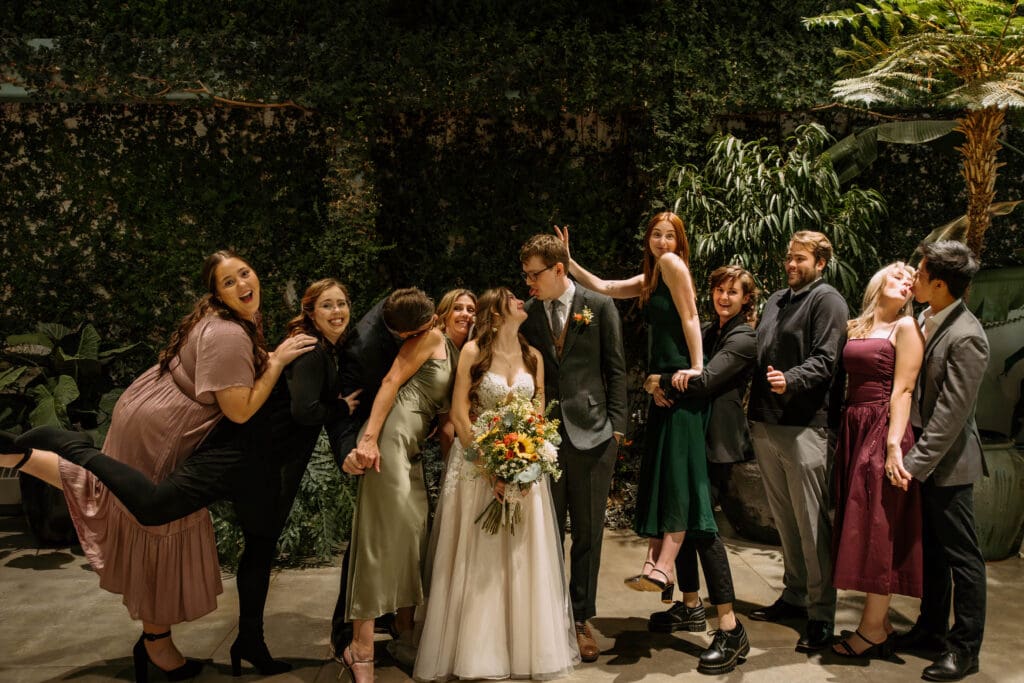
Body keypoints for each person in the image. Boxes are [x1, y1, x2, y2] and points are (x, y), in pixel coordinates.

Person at [1, 251, 317, 680]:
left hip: (153, 410)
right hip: (164, 428)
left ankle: (19, 456)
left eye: (244, 273)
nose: (243, 283)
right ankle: (156, 644)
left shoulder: (228, 320)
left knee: (116, 497)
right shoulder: (227, 334)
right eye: (229, 281)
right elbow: (240, 410)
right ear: (216, 294)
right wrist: (277, 363)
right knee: (157, 527)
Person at [414, 287, 580, 681]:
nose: (522, 300)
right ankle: (479, 652)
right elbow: (458, 411)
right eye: (512, 298)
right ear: (496, 311)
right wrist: (490, 466)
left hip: (524, 471)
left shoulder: (533, 356)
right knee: (482, 558)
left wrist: (526, 463)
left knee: (523, 556)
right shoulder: (473, 352)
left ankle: (524, 648)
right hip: (477, 467)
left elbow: (538, 414)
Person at [555, 214, 710, 605]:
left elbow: (691, 315)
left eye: (669, 236)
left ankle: (664, 566)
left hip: (679, 380)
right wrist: (570, 262)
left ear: (680, 242)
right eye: (656, 235)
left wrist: (696, 368)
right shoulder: (652, 276)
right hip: (663, 382)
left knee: (676, 475)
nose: (661, 242)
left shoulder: (673, 266)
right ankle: (656, 564)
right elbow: (605, 287)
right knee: (661, 474)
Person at [518, 233, 628, 663]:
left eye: (534, 274)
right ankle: (550, 619)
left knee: (587, 532)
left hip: (594, 436)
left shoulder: (598, 307)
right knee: (545, 533)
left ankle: (582, 619)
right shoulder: (526, 314)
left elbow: (616, 369)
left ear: (559, 269)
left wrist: (617, 431)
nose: (529, 282)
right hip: (542, 438)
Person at [339, 288, 458, 683]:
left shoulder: (443, 340)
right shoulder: (425, 339)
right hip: (389, 445)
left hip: (410, 449)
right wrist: (369, 439)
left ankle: (404, 636)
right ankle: (360, 649)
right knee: (379, 544)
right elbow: (390, 382)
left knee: (410, 539)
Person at [647, 264, 758, 674]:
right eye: (718, 290)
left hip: (716, 445)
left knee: (705, 531)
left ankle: (730, 628)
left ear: (747, 298)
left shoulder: (744, 337)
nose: (723, 297)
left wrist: (658, 380)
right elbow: (679, 363)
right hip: (693, 437)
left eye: (733, 292)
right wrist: (655, 379)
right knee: (686, 523)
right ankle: (691, 606)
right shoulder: (709, 331)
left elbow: (705, 379)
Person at [891, 241, 989, 682]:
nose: (915, 276)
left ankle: (965, 649)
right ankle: (930, 629)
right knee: (931, 553)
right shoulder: (928, 319)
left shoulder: (968, 336)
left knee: (963, 559)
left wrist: (914, 464)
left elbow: (951, 415)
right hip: (925, 460)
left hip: (948, 466)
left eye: (922, 270)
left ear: (941, 284)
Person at [747, 231, 847, 652]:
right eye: (789, 257)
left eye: (800, 258)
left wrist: (790, 380)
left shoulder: (828, 301)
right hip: (766, 424)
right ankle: (794, 595)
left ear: (820, 263)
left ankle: (821, 613)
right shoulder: (775, 300)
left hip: (806, 425)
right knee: (785, 520)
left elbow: (826, 359)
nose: (791, 264)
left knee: (811, 525)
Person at [828, 262, 924, 659]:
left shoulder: (906, 329)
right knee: (862, 523)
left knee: (880, 526)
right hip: (854, 424)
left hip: (884, 427)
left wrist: (892, 447)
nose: (906, 284)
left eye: (912, 282)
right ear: (879, 280)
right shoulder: (856, 326)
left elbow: (903, 390)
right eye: (899, 276)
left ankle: (871, 630)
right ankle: (879, 621)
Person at [435, 288, 477, 455]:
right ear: (445, 313)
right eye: (457, 308)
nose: (465, 314)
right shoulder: (434, 342)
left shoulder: (470, 353)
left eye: (471, 310)